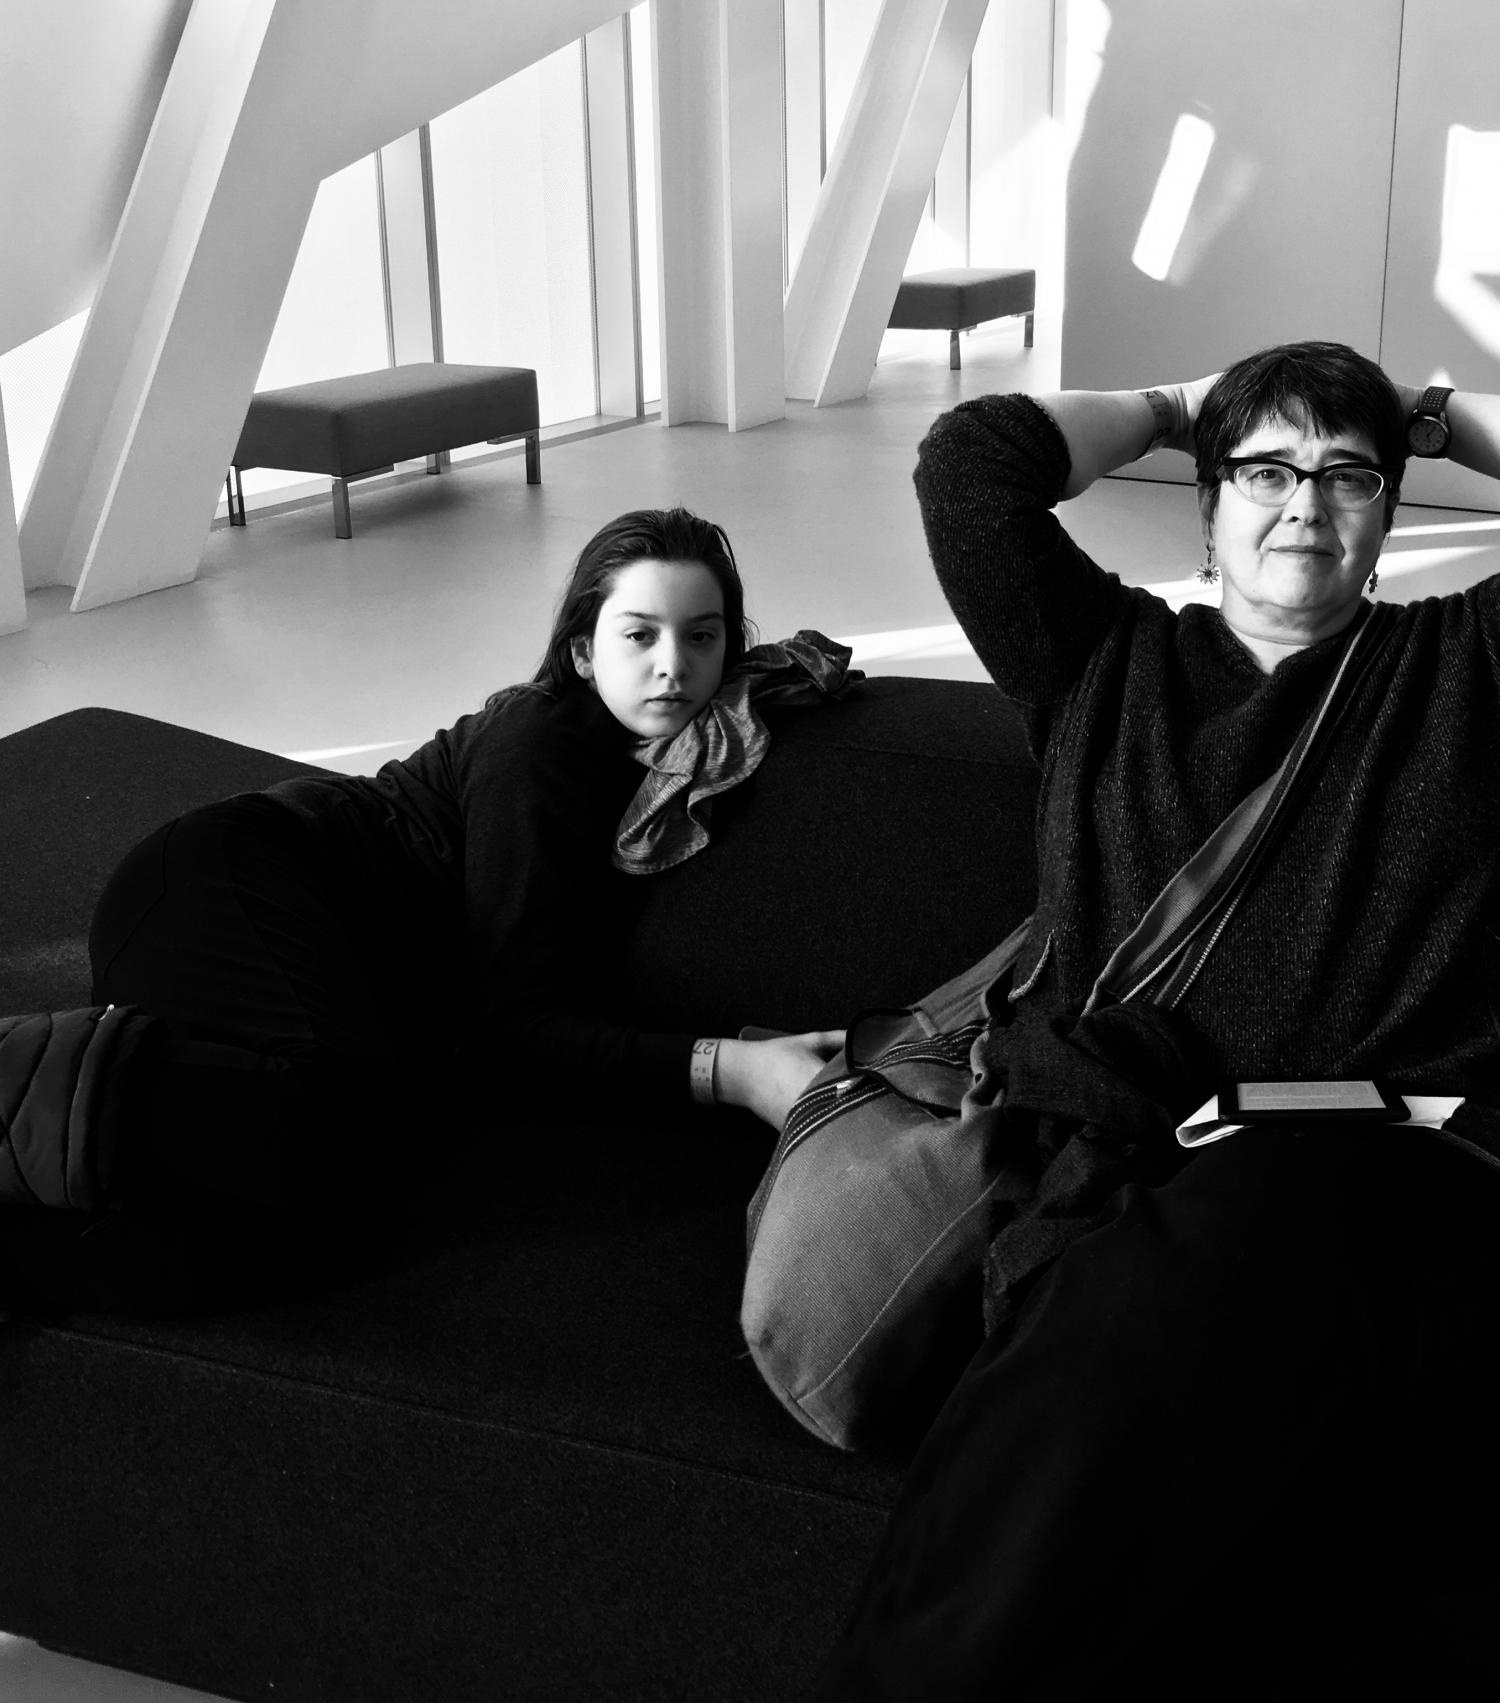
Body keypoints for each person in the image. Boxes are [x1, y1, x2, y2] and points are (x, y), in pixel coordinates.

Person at [810, 344, 1500, 1699]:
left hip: (1391, 1163)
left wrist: (1439, 417)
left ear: (1388, 512)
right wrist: (1182, 405)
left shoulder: (1464, 666)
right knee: (1118, 1361)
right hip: (1137, 1167)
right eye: (1266, 471)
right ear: (1206, 502)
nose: (1306, 504)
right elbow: (970, 467)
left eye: (1350, 475)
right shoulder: (1103, 659)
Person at [0, 507, 846, 1313]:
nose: (674, 665)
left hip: (278, 943)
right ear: (583, 652)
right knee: (339, 1161)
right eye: (640, 634)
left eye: (702, 636)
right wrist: (736, 1071)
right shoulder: (540, 749)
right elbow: (519, 1029)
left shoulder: (660, 748)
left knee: (317, 1202)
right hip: (218, 887)